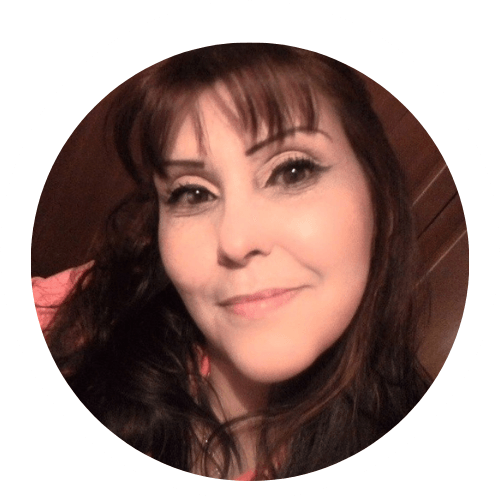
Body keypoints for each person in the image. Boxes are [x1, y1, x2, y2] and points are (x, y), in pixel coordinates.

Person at [32, 43, 431, 480]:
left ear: (378, 196)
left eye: (292, 171)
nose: (236, 242)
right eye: (193, 193)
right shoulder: (82, 314)